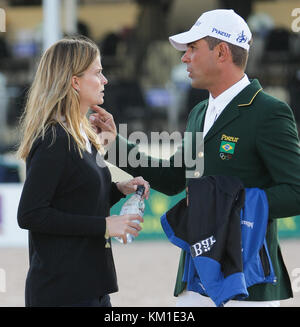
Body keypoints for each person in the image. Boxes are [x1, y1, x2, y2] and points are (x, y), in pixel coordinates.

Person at [90, 9, 300, 307]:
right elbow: (174, 177)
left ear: (222, 52)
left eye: (192, 48)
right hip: (195, 274)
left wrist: (227, 203)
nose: (184, 58)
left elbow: (296, 191)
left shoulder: (270, 112)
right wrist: (114, 143)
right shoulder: (199, 113)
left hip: (248, 282)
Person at [16, 36, 150, 307]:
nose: (105, 80)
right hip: (61, 292)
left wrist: (118, 190)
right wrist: (104, 226)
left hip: (92, 286)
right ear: (75, 82)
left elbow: (75, 199)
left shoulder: (81, 134)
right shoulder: (54, 138)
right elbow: (31, 213)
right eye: (98, 73)